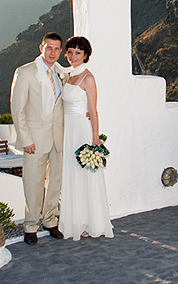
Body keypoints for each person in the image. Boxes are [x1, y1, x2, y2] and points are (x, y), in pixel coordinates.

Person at [10, 32, 66, 245]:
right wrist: (25, 139)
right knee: (33, 183)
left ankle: (51, 220)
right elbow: (18, 109)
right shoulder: (25, 72)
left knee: (54, 183)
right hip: (34, 139)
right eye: (49, 47)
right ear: (41, 47)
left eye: (57, 48)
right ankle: (31, 225)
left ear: (60, 51)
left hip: (57, 137)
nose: (52, 52)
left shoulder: (62, 72)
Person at [59, 36, 114, 240]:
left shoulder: (88, 78)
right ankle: (76, 221)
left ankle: (90, 222)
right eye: (70, 52)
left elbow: (93, 110)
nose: (73, 56)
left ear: (86, 56)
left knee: (84, 175)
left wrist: (95, 138)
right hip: (68, 130)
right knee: (72, 174)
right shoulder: (69, 75)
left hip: (82, 130)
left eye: (78, 53)